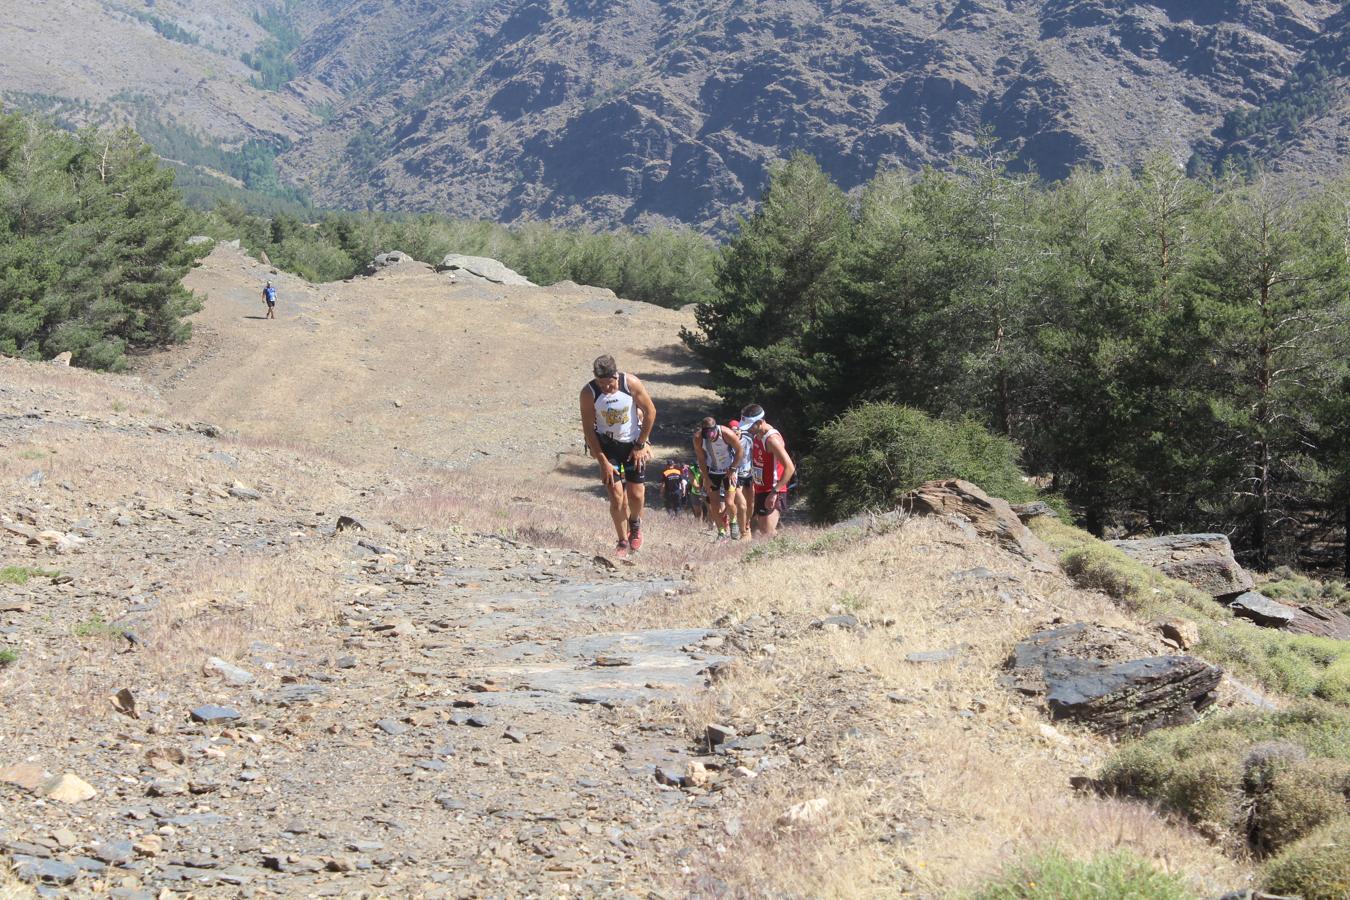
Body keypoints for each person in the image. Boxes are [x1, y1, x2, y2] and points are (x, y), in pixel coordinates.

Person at [580, 354, 656, 555]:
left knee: (636, 494)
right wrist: (601, 460)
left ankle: (635, 524)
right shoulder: (588, 393)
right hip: (608, 447)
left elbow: (650, 412)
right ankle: (622, 541)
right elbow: (588, 430)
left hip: (632, 444)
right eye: (601, 383)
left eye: (609, 383)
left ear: (616, 375)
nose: (606, 387)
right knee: (616, 495)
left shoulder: (630, 383)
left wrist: (642, 443)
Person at [740, 404, 796, 539]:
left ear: (759, 423)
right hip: (760, 487)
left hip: (773, 489)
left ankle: (786, 553)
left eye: (749, 427)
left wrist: (774, 492)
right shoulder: (756, 435)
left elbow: (790, 468)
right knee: (751, 528)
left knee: (767, 531)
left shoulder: (772, 440)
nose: (747, 430)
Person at [692, 416, 745, 540]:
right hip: (712, 470)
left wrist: (733, 469)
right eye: (706, 433)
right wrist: (705, 477)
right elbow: (701, 459)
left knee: (729, 501)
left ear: (716, 428)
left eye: (712, 432)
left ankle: (733, 522)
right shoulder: (698, 438)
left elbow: (740, 450)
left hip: (728, 470)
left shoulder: (726, 433)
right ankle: (721, 531)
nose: (710, 436)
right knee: (714, 504)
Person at [728, 418, 753, 540]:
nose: (735, 433)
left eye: (736, 430)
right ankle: (743, 532)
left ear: (740, 430)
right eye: (732, 431)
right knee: (742, 505)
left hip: (749, 474)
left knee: (751, 504)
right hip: (735, 475)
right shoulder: (728, 443)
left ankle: (747, 525)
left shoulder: (748, 440)